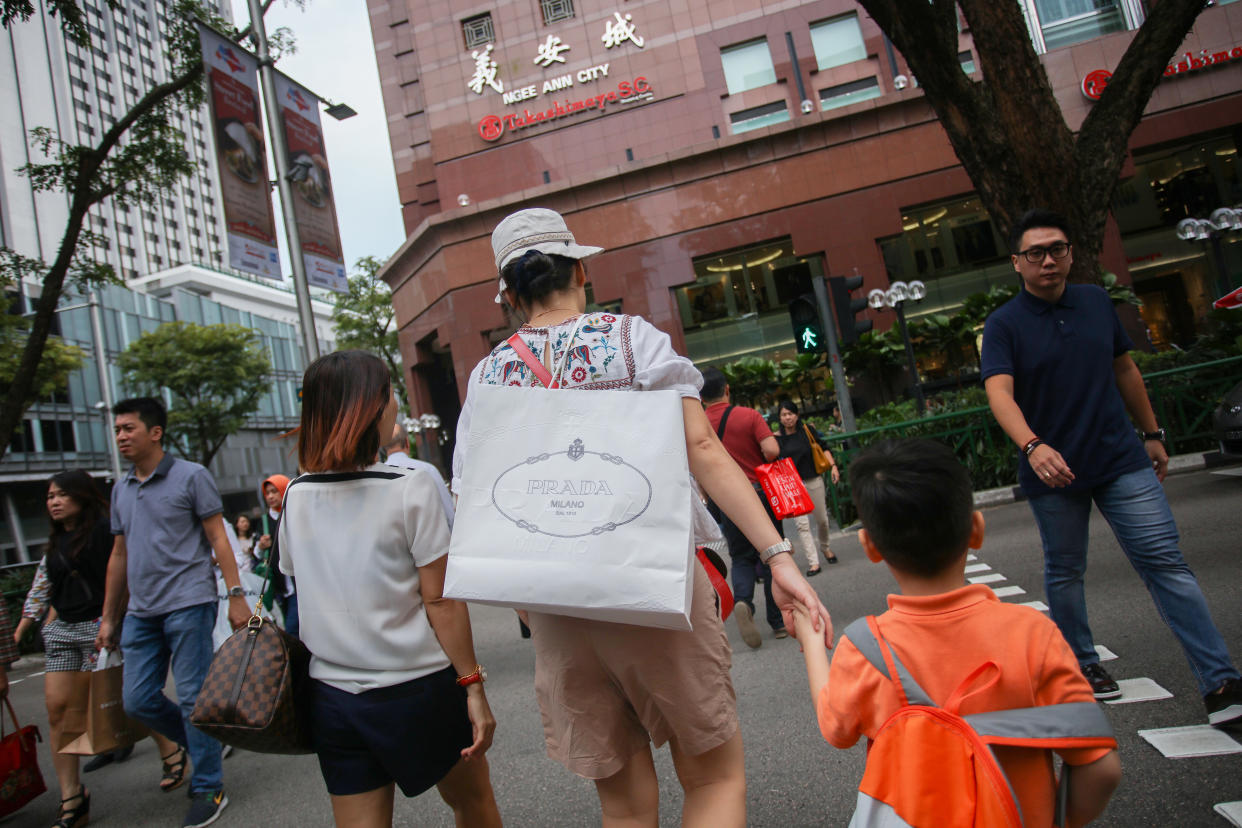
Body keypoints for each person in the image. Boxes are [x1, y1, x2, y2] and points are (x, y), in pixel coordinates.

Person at [453, 207, 831, 828]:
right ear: (579, 269)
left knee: (624, 807)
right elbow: (703, 450)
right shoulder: (632, 342)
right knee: (713, 776)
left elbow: (477, 503)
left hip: (557, 611)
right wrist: (777, 556)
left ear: (510, 295)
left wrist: (528, 606)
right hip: (652, 587)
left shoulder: (490, 377)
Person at [981, 208, 1241, 723]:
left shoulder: (1097, 302)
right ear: (1017, 262)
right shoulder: (1004, 324)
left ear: (1071, 253)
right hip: (1053, 471)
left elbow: (1125, 368)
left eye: (1057, 249)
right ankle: (1082, 663)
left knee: (1166, 564)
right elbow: (999, 393)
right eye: (1036, 253)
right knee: (1065, 570)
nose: (1048, 260)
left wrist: (1152, 433)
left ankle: (1221, 683)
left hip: (1122, 458)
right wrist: (1034, 446)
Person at [792, 439, 1122, 828]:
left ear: (871, 547)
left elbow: (836, 729)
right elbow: (1101, 769)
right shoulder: (1033, 633)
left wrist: (813, 643)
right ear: (976, 530)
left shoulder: (866, 647)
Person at [278, 350, 500, 828]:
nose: (396, 404)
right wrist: (473, 687)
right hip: (418, 689)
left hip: (334, 696)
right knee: (473, 804)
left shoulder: (295, 495)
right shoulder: (408, 487)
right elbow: (439, 600)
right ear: (370, 408)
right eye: (389, 394)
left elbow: (296, 577)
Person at [96, 397, 250, 828]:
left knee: (191, 698)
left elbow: (219, 538)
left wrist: (236, 595)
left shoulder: (191, 476)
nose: (121, 436)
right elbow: (119, 554)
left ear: (155, 432)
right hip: (140, 612)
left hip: (188, 600)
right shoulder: (121, 488)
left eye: (129, 428)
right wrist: (110, 616)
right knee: (137, 699)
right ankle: (204, 743)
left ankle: (207, 787)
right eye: (118, 430)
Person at [700, 366, 788, 647]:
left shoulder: (697, 423)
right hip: (760, 494)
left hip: (725, 500)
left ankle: (744, 602)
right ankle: (777, 622)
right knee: (773, 554)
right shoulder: (749, 416)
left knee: (741, 557)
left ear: (700, 397)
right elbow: (772, 449)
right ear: (727, 389)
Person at [773, 400, 840, 575]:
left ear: (797, 415)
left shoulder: (808, 431)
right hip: (793, 485)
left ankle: (825, 547)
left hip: (813, 479)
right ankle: (814, 562)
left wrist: (833, 466)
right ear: (779, 418)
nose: (787, 418)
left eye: (790, 414)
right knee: (803, 526)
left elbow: (824, 447)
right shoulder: (776, 438)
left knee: (822, 520)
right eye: (784, 415)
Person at [382, 423, 454, 528]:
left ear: (384, 449)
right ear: (407, 442)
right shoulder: (428, 469)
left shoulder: (379, 477)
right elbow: (448, 512)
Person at [255, 475, 297, 637]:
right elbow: (257, 553)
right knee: (284, 627)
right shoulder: (264, 521)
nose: (270, 496)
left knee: (292, 629)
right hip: (277, 587)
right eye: (267, 493)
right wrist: (260, 546)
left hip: (297, 584)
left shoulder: (293, 514)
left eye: (274, 491)